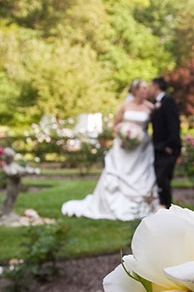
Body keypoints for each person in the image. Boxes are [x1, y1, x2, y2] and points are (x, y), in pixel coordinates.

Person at [61, 79, 158, 220]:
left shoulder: (150, 107)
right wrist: (123, 134)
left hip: (141, 150)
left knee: (142, 175)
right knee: (115, 174)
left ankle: (143, 205)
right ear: (135, 91)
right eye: (142, 88)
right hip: (123, 148)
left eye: (146, 88)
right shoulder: (126, 105)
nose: (145, 91)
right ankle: (110, 205)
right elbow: (116, 124)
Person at [148, 77, 181, 208]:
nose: (149, 89)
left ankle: (167, 207)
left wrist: (168, 146)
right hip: (159, 148)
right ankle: (164, 205)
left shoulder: (168, 102)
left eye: (150, 86)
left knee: (163, 178)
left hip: (167, 148)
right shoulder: (157, 102)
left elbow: (174, 125)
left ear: (156, 86)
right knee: (161, 179)